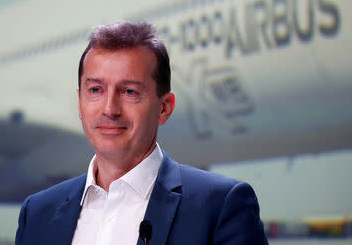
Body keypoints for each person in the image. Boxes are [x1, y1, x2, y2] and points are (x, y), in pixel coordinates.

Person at [15, 21, 268, 245]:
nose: (109, 109)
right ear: (80, 104)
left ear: (164, 107)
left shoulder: (220, 206)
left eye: (130, 92)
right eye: (95, 90)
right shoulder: (38, 213)